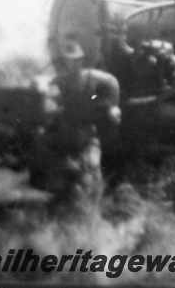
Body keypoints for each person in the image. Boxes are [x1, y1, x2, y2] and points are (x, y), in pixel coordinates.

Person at [49, 40, 121, 204]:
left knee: (93, 167)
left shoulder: (92, 78)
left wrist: (113, 107)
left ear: (81, 61)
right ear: (65, 62)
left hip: (88, 134)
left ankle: (95, 207)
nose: (72, 64)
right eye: (69, 60)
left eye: (76, 60)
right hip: (67, 136)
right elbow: (50, 95)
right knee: (67, 174)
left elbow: (112, 82)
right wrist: (55, 103)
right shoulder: (61, 81)